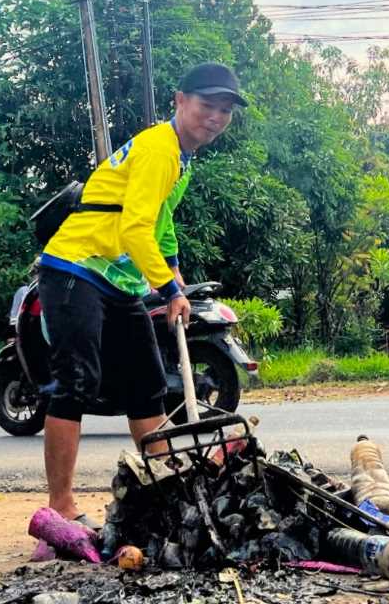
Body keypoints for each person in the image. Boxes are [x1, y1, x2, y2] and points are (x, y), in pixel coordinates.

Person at [38, 62, 245, 527]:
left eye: (225, 111)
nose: (215, 117)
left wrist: (174, 276)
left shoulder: (180, 157)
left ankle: (164, 493)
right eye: (206, 105)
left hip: (120, 280)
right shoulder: (159, 149)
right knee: (76, 382)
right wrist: (168, 288)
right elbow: (134, 227)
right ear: (179, 101)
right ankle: (61, 509)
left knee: (147, 385)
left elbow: (159, 220)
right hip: (78, 266)